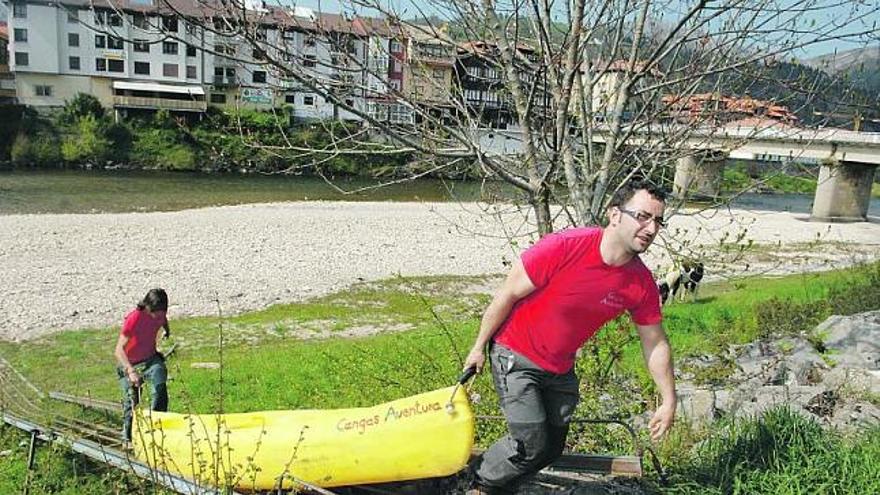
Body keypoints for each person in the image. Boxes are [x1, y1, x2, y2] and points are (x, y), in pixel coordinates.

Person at [463, 180, 676, 494]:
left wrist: (669, 399)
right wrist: (479, 347)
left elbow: (654, 342)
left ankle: (501, 484)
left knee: (551, 449)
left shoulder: (640, 283)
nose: (651, 228)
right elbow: (506, 294)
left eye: (658, 221)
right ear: (614, 215)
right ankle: (474, 484)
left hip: (560, 367)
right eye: (643, 216)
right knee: (530, 443)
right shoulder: (565, 246)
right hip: (515, 354)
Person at [114, 288, 171, 443]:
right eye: (157, 313)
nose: (159, 316)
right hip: (130, 363)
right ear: (147, 306)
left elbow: (164, 321)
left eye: (162, 312)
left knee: (160, 387)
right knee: (132, 401)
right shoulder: (134, 319)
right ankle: (128, 438)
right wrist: (131, 371)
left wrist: (167, 331)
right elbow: (118, 350)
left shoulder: (160, 314)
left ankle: (157, 426)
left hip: (151, 359)